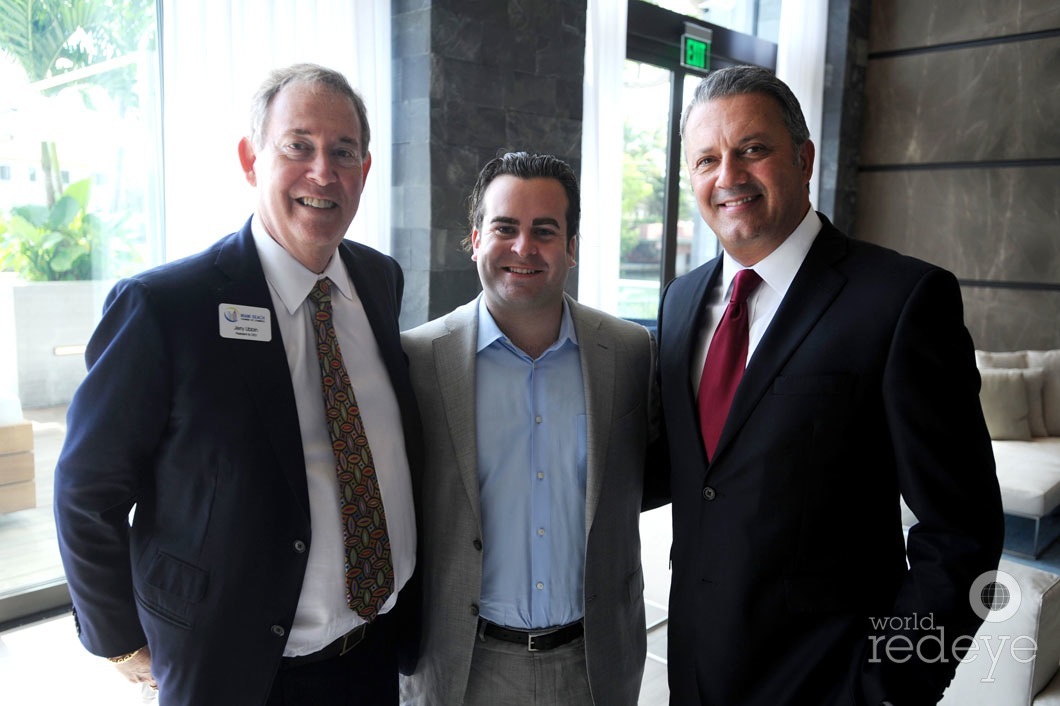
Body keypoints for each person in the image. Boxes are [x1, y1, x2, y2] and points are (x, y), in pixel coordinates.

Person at [53, 63, 421, 706]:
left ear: (365, 171)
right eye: (298, 146)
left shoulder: (379, 280)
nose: (322, 173)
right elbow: (87, 488)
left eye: (343, 153)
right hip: (237, 671)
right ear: (252, 159)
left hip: (372, 652)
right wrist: (118, 640)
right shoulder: (165, 307)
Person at [656, 65, 1004, 705]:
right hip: (695, 673)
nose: (728, 176)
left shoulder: (901, 301)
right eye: (706, 159)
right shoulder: (679, 303)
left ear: (804, 157)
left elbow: (963, 531)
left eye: (752, 150)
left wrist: (893, 684)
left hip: (831, 683)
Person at [400, 151, 660, 706]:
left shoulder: (630, 353)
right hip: (462, 667)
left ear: (571, 248)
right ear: (474, 240)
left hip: (592, 666)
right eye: (505, 228)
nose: (523, 248)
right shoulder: (418, 360)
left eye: (545, 230)